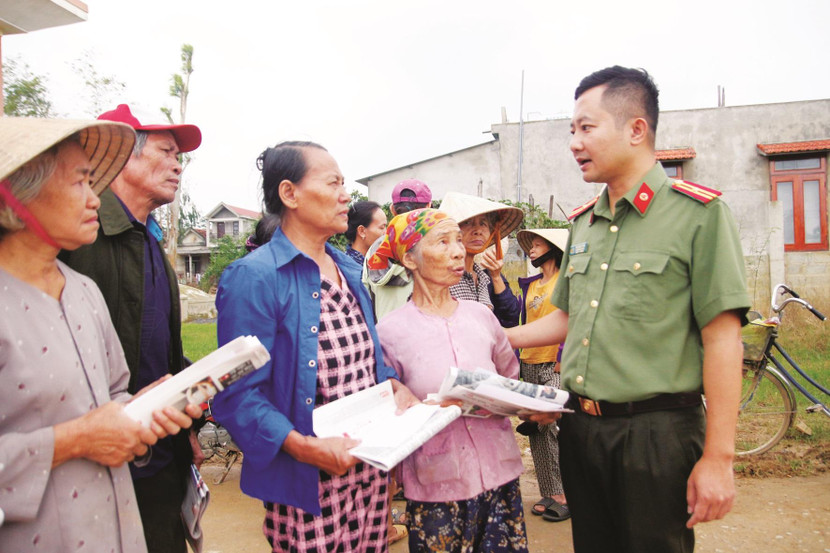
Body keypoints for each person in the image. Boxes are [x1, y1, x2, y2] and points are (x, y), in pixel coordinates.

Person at [506, 66, 750, 552]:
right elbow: (567, 318)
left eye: (586, 127)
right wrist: (489, 336)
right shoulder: (583, 223)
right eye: (571, 130)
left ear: (636, 129)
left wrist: (719, 458)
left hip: (656, 435)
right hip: (580, 429)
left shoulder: (698, 215)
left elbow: (722, 339)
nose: (574, 142)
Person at [0, 117, 200, 552]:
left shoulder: (83, 292)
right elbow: (89, 428)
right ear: (18, 194)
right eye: (80, 182)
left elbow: (114, 397)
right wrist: (72, 440)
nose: (95, 199)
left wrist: (149, 410)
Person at [211, 141, 419, 552]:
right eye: (334, 183)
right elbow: (237, 394)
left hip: (369, 474)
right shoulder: (255, 278)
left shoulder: (348, 269)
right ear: (290, 194)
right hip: (308, 481)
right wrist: (305, 449)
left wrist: (393, 384)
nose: (347, 196)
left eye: (346, 183)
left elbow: (366, 353)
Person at [59, 104, 203, 553]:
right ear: (123, 154)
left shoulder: (153, 245)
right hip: (103, 462)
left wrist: (187, 433)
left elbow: (159, 348)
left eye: (180, 156)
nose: (178, 165)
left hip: (161, 456)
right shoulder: (79, 241)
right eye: (166, 151)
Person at [372, 209, 529, 553]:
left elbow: (510, 378)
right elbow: (386, 410)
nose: (458, 251)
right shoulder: (389, 332)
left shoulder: (482, 317)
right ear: (410, 259)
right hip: (436, 485)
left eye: (458, 241)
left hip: (499, 475)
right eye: (442, 242)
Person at [514, 228, 570, 522]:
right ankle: (550, 492)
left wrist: (562, 358)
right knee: (535, 429)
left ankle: (566, 494)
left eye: (537, 245)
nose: (531, 250)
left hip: (553, 362)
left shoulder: (566, 280)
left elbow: (570, 319)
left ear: (553, 249)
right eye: (531, 246)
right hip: (530, 362)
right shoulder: (533, 284)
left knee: (554, 427)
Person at [439, 191, 523, 327]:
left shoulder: (484, 276)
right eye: (467, 223)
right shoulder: (440, 278)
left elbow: (511, 318)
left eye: (483, 223)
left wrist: (496, 277)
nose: (478, 230)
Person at [362, 178, 432, 320]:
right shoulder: (434, 246)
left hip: (385, 336)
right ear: (429, 206)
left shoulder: (373, 250)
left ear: (392, 210)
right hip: (425, 337)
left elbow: (366, 300)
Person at [345, 200, 387, 266]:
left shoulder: (378, 261)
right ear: (362, 231)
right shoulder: (348, 267)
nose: (386, 233)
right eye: (382, 227)